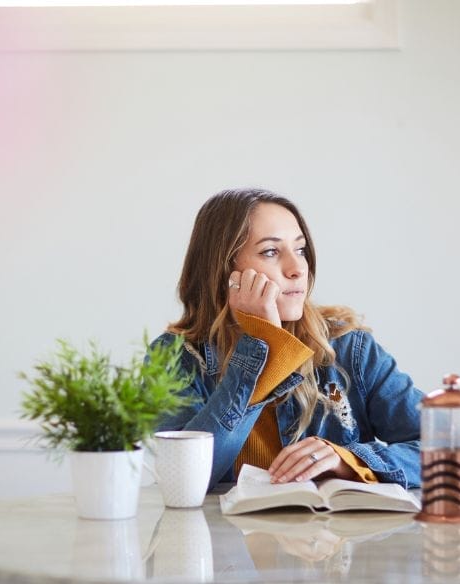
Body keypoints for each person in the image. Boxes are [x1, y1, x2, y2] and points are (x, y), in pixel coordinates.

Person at [152, 189, 423, 489]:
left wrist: (348, 461)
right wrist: (259, 347)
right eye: (270, 252)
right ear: (224, 271)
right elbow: (184, 480)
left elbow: (448, 451)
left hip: (326, 522)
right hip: (219, 523)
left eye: (301, 250)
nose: (297, 269)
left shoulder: (351, 349)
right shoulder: (175, 357)